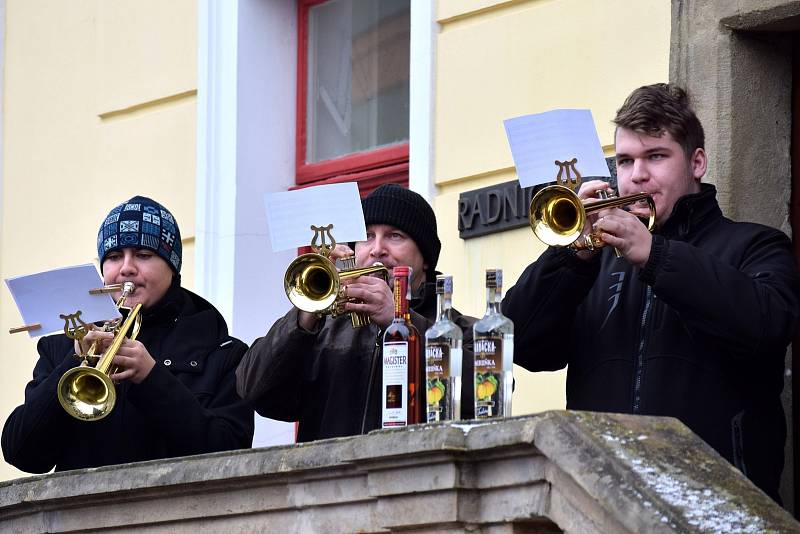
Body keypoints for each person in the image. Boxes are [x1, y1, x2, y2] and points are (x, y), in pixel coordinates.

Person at [503, 83, 800, 502]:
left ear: (697, 162)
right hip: (602, 498)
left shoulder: (756, 246)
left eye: (655, 156)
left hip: (715, 501)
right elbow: (525, 345)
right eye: (625, 160)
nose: (636, 174)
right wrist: (572, 257)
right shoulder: (595, 261)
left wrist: (654, 255)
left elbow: (767, 325)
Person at [2, 196, 254, 472]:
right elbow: (22, 453)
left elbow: (229, 455)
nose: (126, 268)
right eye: (113, 257)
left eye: (144, 255)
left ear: (172, 267)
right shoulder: (62, 345)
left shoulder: (222, 351)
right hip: (82, 513)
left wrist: (152, 379)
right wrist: (72, 364)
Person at [237, 184, 476, 441]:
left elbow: (481, 397)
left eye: (395, 236)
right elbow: (255, 391)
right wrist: (304, 316)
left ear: (426, 258)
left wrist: (401, 321)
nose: (376, 249)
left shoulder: (461, 330)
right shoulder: (322, 326)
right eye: (367, 236)